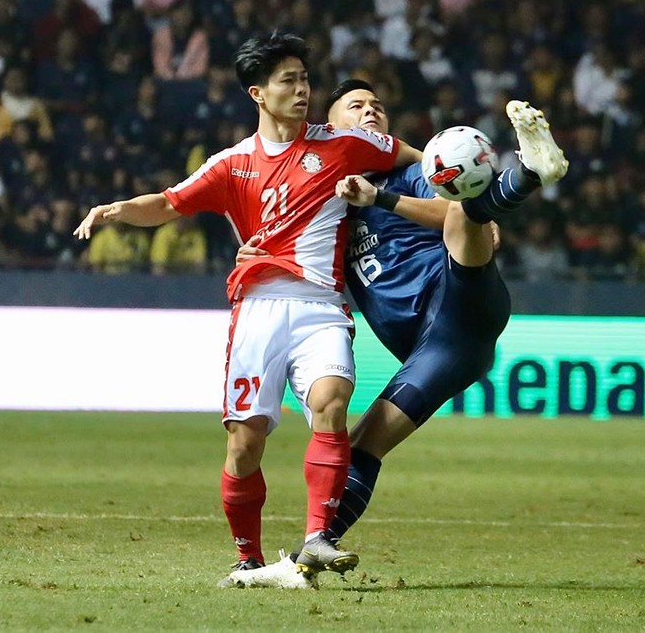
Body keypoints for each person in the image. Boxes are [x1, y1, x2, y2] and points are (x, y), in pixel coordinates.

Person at [72, 33, 422, 581]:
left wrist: (460, 189)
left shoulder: (344, 145)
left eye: (306, 78)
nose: (303, 89)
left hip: (322, 305)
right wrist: (116, 209)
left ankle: (317, 538)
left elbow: (416, 158)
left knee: (332, 404)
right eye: (289, 80)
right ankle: (247, 558)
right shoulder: (231, 164)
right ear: (259, 93)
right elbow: (167, 204)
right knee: (245, 441)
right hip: (258, 309)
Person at [228, 79, 568, 588]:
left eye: (378, 106)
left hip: (456, 305)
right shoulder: (325, 203)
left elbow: (447, 209)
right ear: (331, 126)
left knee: (463, 211)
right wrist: (256, 256)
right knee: (362, 445)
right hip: (434, 350)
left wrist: (381, 197)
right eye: (357, 106)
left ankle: (523, 176)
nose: (371, 112)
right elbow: (300, 255)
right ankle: (308, 559)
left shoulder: (408, 174)